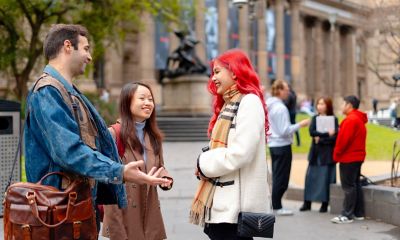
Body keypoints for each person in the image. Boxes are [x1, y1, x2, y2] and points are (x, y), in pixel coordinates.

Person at [24, 24, 170, 232]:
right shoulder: (48, 91)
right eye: (85, 48)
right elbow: (69, 152)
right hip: (58, 214)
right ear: (67, 46)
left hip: (73, 210)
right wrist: (118, 171)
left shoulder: (69, 92)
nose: (89, 56)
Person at [190, 49, 271, 240]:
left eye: (217, 72)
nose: (213, 78)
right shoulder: (229, 103)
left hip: (236, 210)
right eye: (213, 73)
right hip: (222, 205)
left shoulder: (249, 102)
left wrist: (203, 162)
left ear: (234, 72)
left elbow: (241, 153)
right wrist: (204, 167)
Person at [102, 82, 173, 240]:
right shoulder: (113, 134)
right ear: (127, 102)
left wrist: (165, 178)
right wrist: (117, 232)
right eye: (142, 98)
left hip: (150, 215)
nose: (148, 103)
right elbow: (107, 183)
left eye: (150, 99)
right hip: (124, 216)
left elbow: (159, 166)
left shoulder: (153, 136)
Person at [266, 80, 310, 216]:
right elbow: (285, 130)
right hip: (282, 145)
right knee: (282, 177)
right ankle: (277, 206)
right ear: (279, 90)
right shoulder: (280, 108)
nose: (288, 92)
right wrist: (300, 125)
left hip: (273, 144)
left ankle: (275, 204)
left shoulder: (268, 104)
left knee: (277, 175)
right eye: (286, 89)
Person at [331, 95, 367, 224]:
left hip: (349, 158)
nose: (341, 106)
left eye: (343, 104)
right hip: (357, 157)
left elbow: (342, 141)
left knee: (348, 187)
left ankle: (347, 215)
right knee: (355, 185)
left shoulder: (350, 120)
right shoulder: (358, 119)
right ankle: (358, 213)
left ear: (349, 105)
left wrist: (336, 156)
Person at [300, 97, 338, 213]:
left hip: (327, 154)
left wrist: (320, 139)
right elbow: (312, 132)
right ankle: (307, 202)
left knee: (326, 178)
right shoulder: (315, 118)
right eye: (318, 104)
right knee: (311, 177)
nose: (320, 106)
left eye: (322, 104)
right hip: (315, 154)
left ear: (328, 106)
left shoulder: (334, 119)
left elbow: (334, 137)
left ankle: (324, 204)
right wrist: (326, 133)